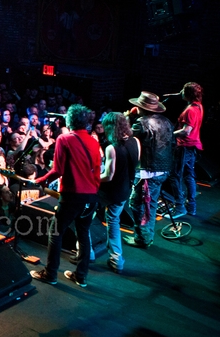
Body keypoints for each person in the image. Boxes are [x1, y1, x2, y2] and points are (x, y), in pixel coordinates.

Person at [30, 104, 101, 288]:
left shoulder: (64, 139)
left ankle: (50, 273)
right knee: (83, 234)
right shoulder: (94, 141)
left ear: (69, 120)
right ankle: (81, 276)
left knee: (56, 232)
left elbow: (58, 170)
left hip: (72, 195)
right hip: (91, 196)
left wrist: (42, 180)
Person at [123, 92, 174, 249]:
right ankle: (147, 236)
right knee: (150, 204)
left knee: (138, 204)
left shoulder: (141, 123)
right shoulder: (167, 121)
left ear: (140, 108)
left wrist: (126, 117)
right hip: (163, 169)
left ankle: (142, 239)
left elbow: (124, 137)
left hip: (147, 171)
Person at [98, 111, 139, 274]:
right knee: (112, 218)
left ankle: (116, 259)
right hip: (125, 189)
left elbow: (108, 176)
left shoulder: (111, 148)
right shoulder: (135, 141)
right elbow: (136, 163)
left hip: (111, 192)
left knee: (108, 220)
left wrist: (91, 177)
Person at [161, 82, 203, 218]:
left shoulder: (190, 110)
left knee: (175, 175)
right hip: (192, 146)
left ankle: (179, 207)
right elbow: (180, 94)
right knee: (189, 176)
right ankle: (192, 206)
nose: (181, 92)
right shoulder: (198, 106)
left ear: (188, 94)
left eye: (183, 91)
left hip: (184, 146)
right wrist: (173, 95)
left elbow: (186, 131)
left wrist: (168, 134)